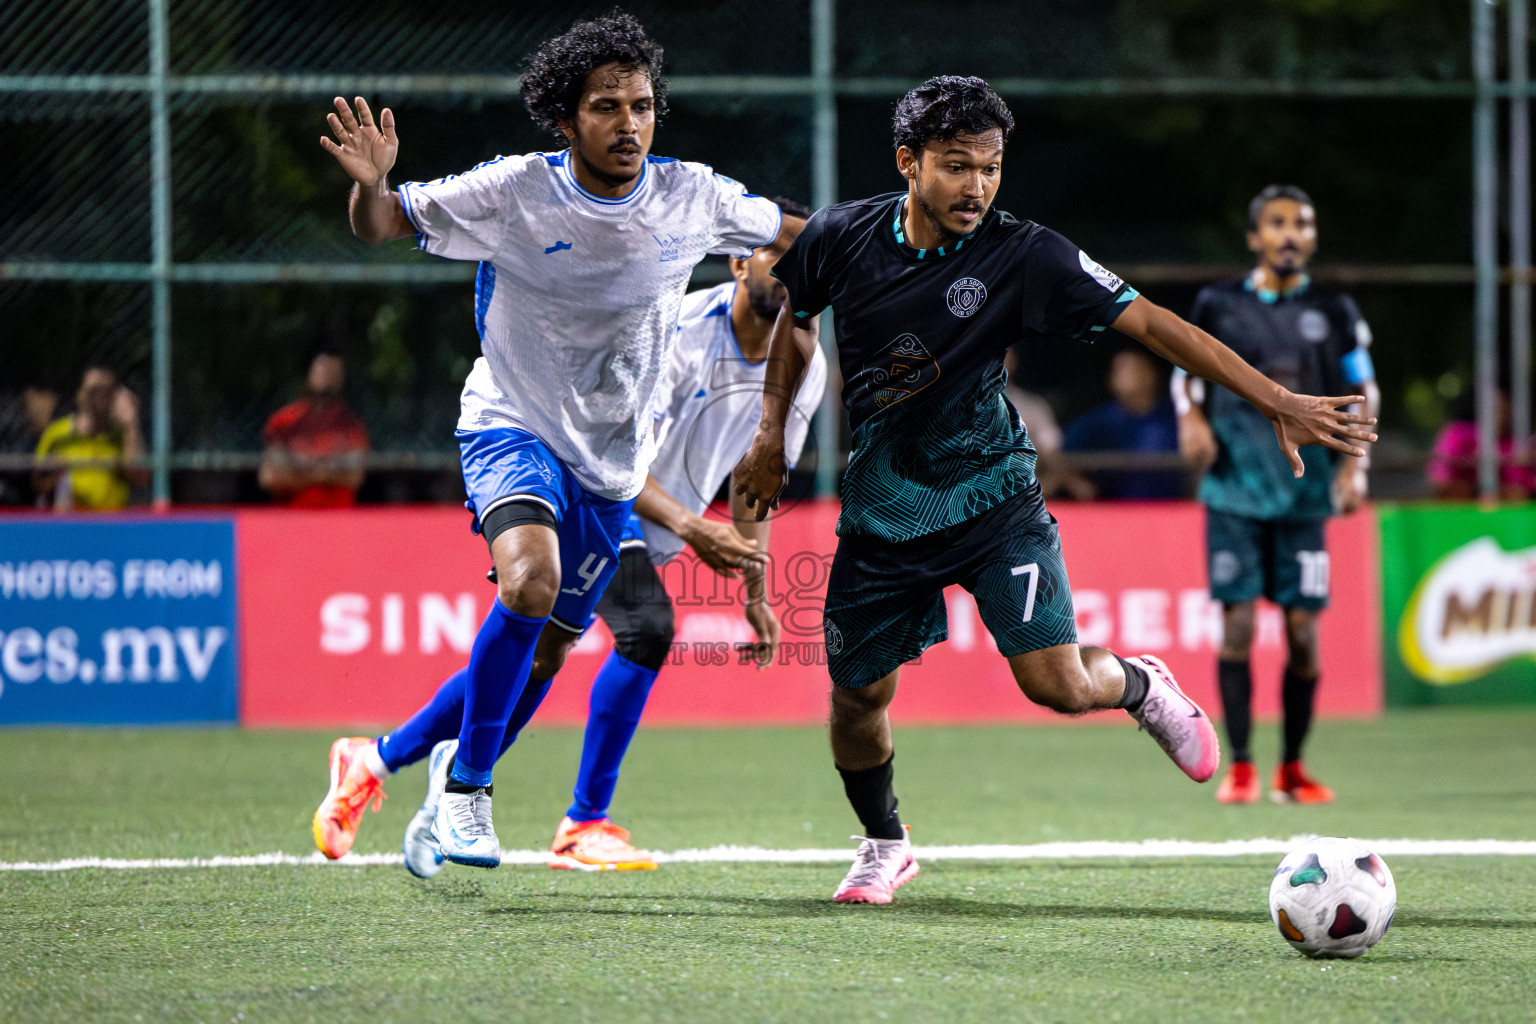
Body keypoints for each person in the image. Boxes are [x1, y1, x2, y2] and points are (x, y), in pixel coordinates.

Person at [735, 78, 1374, 904]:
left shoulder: (1025, 253)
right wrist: (767, 430)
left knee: (1060, 686)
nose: (977, 187)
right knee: (857, 695)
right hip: (886, 507)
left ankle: (1141, 683)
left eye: (992, 169)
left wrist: (1275, 399)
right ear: (908, 163)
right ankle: (885, 843)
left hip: (996, 494)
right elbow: (793, 314)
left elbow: (1151, 324)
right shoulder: (839, 235)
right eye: (956, 167)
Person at [308, 12, 785, 869]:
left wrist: (902, 237)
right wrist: (372, 187)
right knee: (534, 584)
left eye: (641, 105)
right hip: (512, 422)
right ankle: (471, 795)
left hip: (606, 463)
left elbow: (795, 231)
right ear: (566, 117)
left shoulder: (693, 196)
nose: (629, 123)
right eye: (607, 106)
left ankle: (382, 760)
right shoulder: (516, 190)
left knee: (553, 648)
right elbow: (382, 224)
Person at [1172, 184, 1380, 806]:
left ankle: (1292, 766)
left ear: (1313, 237)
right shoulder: (1218, 303)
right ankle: (1240, 764)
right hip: (1235, 484)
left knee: (1303, 635)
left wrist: (1355, 466)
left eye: (1303, 225)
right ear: (1255, 237)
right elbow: (1185, 371)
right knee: (1236, 626)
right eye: (1279, 224)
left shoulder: (1334, 309)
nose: (1291, 235)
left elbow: (1361, 388)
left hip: (1305, 491)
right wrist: (1191, 418)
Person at [1062, 347, 1182, 499]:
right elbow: (1060, 455)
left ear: (1151, 374)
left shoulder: (1176, 417)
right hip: (1115, 512)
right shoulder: (1101, 420)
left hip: (1172, 509)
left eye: (1130, 369)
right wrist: (1077, 484)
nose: (1122, 376)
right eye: (1117, 369)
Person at [258, 350, 370, 508]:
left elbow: (354, 477)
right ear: (308, 373)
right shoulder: (283, 422)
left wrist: (301, 470)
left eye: (334, 371)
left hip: (338, 519)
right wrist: (326, 473)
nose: (327, 376)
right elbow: (269, 477)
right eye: (322, 369)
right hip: (292, 518)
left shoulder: (351, 426)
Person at [34, 367, 147, 511]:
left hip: (112, 523)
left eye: (105, 391)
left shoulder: (123, 435)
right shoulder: (57, 434)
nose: (98, 398)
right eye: (93, 391)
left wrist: (131, 424)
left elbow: (140, 478)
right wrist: (56, 476)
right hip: (70, 522)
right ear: (80, 393)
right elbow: (38, 484)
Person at [1426, 388, 1534, 500]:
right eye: (1493, 409)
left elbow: (1522, 490)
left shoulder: (1515, 443)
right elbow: (1440, 481)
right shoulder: (1458, 434)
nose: (1499, 415)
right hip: (1461, 503)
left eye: (1503, 410)